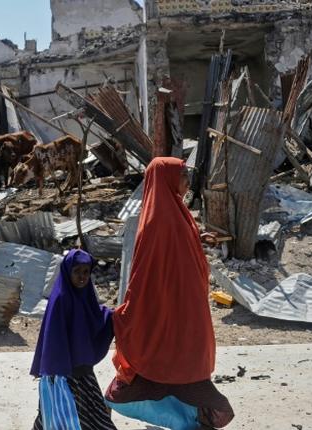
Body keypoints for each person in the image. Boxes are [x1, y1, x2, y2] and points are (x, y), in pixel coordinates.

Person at [105, 157, 234, 429]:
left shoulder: (175, 211)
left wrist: (197, 240)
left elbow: (175, 257)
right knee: (174, 373)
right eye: (182, 175)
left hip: (184, 312)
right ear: (168, 180)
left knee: (181, 369)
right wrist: (130, 311)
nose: (187, 181)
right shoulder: (158, 221)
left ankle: (185, 420)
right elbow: (146, 276)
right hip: (171, 314)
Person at [31, 248, 116, 429]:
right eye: (77, 271)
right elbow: (53, 340)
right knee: (62, 415)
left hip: (83, 371)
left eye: (86, 272)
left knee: (90, 416)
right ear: (67, 271)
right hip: (63, 373)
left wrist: (115, 317)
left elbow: (96, 318)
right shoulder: (61, 299)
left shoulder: (86, 295)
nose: (82, 277)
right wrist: (58, 372)